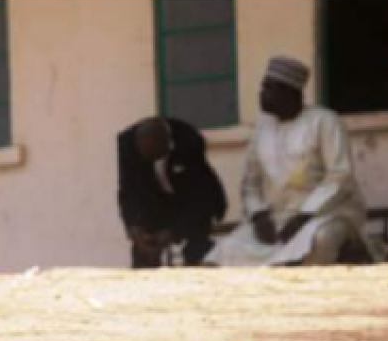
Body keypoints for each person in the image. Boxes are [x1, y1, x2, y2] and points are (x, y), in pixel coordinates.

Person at [205, 55, 369, 267]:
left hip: (329, 214)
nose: (261, 94)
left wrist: (304, 215)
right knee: (227, 249)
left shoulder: (324, 121)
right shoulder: (262, 129)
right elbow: (251, 183)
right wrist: (258, 215)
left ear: (290, 92)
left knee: (320, 240)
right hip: (276, 218)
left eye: (269, 88)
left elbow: (340, 175)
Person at [117, 116, 227, 268]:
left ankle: (200, 278)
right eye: (144, 155)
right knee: (143, 247)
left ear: (166, 142)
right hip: (156, 198)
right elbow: (128, 191)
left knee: (197, 245)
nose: (149, 160)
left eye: (153, 154)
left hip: (194, 199)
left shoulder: (189, 141)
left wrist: (174, 231)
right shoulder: (126, 146)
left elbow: (199, 196)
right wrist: (133, 227)